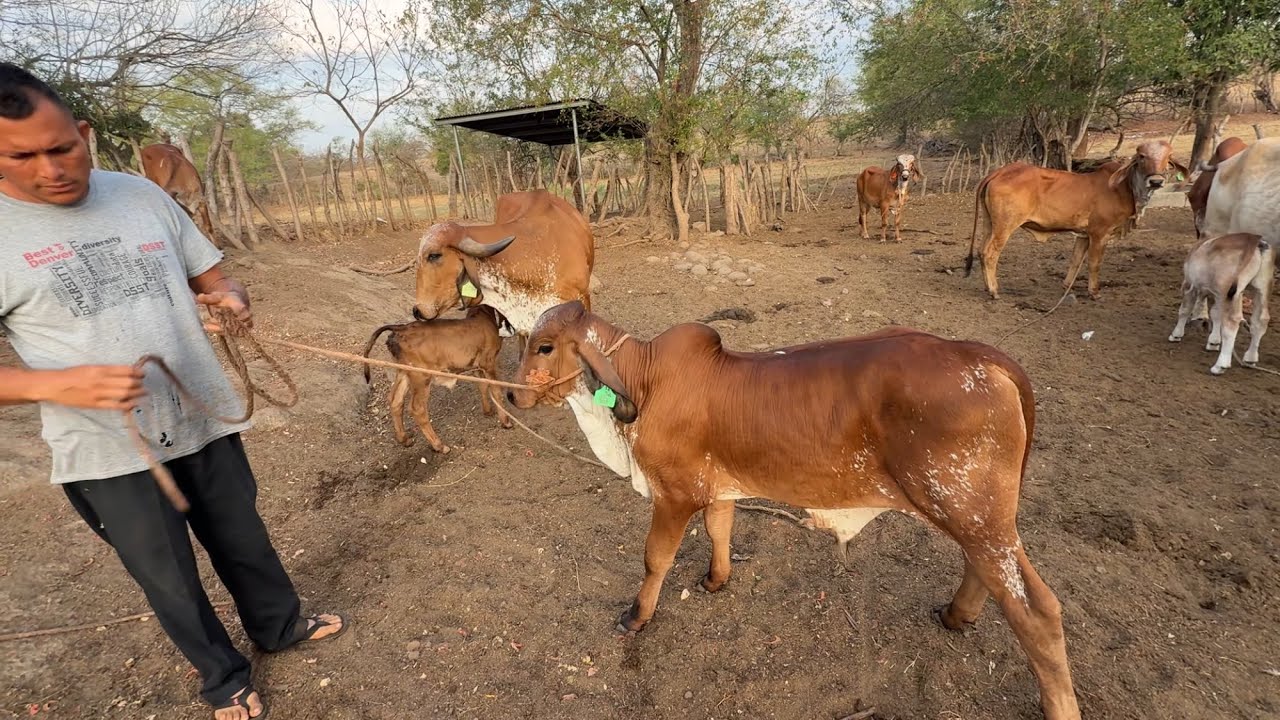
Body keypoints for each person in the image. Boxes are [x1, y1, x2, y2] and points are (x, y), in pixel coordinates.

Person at [0, 63, 347, 720]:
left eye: (62, 147)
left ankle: (280, 627)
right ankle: (222, 678)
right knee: (170, 577)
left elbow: (215, 277)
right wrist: (57, 383)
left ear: (85, 132)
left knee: (245, 539)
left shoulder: (141, 195)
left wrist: (231, 301)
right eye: (21, 157)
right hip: (107, 445)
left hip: (200, 413)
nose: (51, 169)